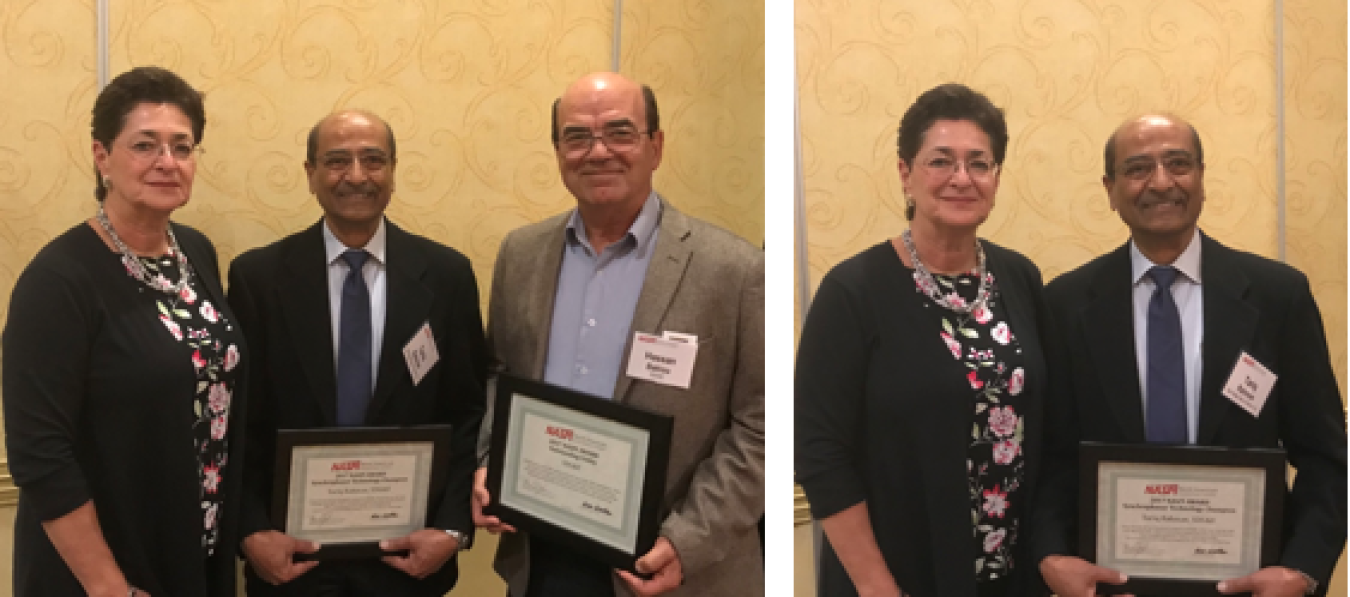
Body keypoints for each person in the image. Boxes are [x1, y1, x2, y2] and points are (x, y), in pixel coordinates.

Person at [470, 71, 765, 597]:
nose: (598, 151)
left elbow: (762, 425)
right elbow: (500, 374)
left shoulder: (735, 270)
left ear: (656, 146)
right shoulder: (520, 254)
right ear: (558, 151)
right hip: (542, 557)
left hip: (668, 566)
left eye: (620, 132)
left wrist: (686, 541)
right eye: (577, 136)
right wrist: (492, 459)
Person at [1031, 114, 1347, 596]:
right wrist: (1052, 557)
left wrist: (1302, 570)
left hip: (1251, 585)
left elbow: (1326, 456)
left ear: (1201, 178)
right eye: (1137, 169)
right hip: (1109, 585)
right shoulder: (1065, 305)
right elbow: (1050, 458)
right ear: (1110, 189)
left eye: (1178, 163)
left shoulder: (1277, 297)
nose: (1161, 182)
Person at [795, 83, 1051, 597]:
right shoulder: (854, 290)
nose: (961, 178)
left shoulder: (1019, 277)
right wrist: (874, 584)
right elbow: (819, 450)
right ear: (905, 173)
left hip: (1012, 571)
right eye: (941, 161)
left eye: (979, 163)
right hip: (900, 573)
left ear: (996, 177)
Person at [2, 66, 243, 597]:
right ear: (102, 156)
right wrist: (108, 585)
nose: (167, 162)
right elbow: (40, 454)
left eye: (183, 147)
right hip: (103, 568)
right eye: (145, 145)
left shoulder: (196, 251)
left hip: (190, 541)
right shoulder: (58, 280)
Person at [227, 110, 488, 597]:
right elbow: (240, 420)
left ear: (393, 171)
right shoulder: (257, 279)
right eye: (336, 161)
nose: (356, 176)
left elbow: (467, 410)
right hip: (291, 559)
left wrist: (452, 529)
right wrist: (249, 530)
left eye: (373, 160)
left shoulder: (447, 275)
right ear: (310, 173)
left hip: (410, 559)